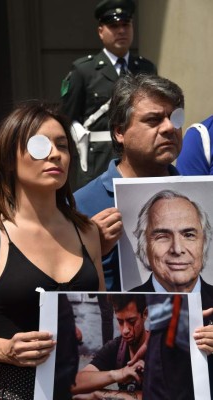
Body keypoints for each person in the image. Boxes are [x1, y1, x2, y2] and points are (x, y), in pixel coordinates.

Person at [0, 100, 105, 400]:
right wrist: (4, 350)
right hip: (14, 392)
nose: (55, 154)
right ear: (10, 159)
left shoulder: (87, 232)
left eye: (62, 145)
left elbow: (103, 326)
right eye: (39, 145)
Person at [74, 73, 185, 292]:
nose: (169, 128)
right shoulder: (80, 206)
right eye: (153, 120)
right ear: (119, 132)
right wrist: (93, 250)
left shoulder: (202, 197)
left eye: (175, 118)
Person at [61, 0, 157, 191]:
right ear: (101, 31)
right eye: (114, 26)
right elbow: (67, 116)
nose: (121, 31)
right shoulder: (84, 70)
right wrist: (78, 136)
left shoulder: (145, 68)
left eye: (125, 25)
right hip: (97, 159)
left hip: (137, 156)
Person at [130, 189, 213, 395]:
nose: (177, 248)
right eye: (162, 236)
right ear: (144, 245)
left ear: (204, 242)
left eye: (189, 235)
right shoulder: (129, 304)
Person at [71, 294, 147, 399]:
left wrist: (98, 394)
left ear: (145, 314)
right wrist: (116, 374)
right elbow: (75, 384)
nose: (125, 330)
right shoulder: (117, 347)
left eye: (131, 321)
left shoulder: (159, 348)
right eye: (120, 322)